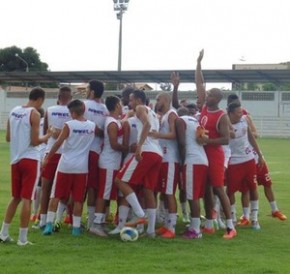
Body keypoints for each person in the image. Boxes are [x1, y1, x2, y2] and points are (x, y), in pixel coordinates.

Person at [0, 87, 51, 246]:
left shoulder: (14, 110)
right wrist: (49, 135)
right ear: (40, 99)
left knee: (15, 197)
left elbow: (8, 137)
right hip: (30, 158)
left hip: (15, 159)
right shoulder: (34, 113)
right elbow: (35, 141)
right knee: (27, 199)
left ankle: (4, 233)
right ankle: (22, 238)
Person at [195, 49, 236, 239]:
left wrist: (207, 141)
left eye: (210, 94)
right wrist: (198, 64)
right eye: (207, 93)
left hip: (215, 154)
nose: (206, 95)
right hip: (203, 153)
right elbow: (200, 84)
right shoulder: (204, 107)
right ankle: (210, 224)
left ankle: (230, 226)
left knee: (219, 188)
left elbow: (226, 139)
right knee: (206, 189)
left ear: (217, 99)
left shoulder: (221, 116)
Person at [227, 94, 287, 222]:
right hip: (237, 160)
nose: (240, 112)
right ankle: (245, 216)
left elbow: (254, 134)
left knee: (266, 182)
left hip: (252, 155)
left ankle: (274, 210)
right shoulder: (225, 121)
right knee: (244, 188)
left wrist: (258, 152)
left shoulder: (245, 118)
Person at [42, 99, 95, 236]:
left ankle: (49, 224)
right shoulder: (91, 126)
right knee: (78, 198)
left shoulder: (69, 125)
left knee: (56, 195)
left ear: (72, 112)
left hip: (65, 165)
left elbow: (58, 142)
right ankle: (76, 228)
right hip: (82, 167)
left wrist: (47, 158)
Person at [115, 89, 163, 237]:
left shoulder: (140, 108)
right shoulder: (153, 112)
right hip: (157, 153)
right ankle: (150, 231)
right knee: (148, 190)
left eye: (131, 100)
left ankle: (140, 214)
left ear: (138, 100)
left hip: (147, 151)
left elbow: (147, 125)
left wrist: (140, 146)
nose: (130, 103)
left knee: (120, 180)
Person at [89, 96, 128, 237]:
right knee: (103, 194)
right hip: (108, 162)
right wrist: (129, 148)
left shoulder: (115, 121)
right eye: (121, 104)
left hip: (112, 163)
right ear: (117, 105)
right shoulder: (111, 123)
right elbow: (114, 144)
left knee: (107, 194)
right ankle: (96, 224)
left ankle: (101, 222)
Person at [38, 86, 72, 229]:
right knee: (65, 189)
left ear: (58, 97)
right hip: (67, 152)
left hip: (51, 151)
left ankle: (42, 220)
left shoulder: (49, 110)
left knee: (46, 187)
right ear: (70, 98)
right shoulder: (73, 111)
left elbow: (47, 132)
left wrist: (54, 133)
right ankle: (59, 218)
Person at [226, 102, 264, 230]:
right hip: (233, 162)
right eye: (238, 112)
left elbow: (251, 138)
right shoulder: (225, 123)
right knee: (230, 191)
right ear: (231, 113)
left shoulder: (243, 120)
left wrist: (259, 155)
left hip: (248, 160)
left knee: (253, 188)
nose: (241, 114)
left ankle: (254, 219)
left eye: (241, 112)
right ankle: (232, 217)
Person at [175, 107, 208, 239]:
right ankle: (195, 226)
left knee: (192, 196)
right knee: (194, 195)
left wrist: (183, 160)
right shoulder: (195, 121)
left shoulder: (180, 120)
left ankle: (195, 230)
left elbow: (182, 142)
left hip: (192, 159)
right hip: (202, 159)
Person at [151, 92, 180, 238]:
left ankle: (172, 228)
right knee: (164, 193)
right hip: (164, 159)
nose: (156, 102)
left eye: (158, 99)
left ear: (165, 99)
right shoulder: (164, 115)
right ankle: (167, 225)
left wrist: (158, 135)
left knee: (169, 193)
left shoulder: (171, 114)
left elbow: (174, 134)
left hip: (170, 159)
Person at [83, 80, 108, 229]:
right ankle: (92, 219)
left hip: (84, 150)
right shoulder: (105, 109)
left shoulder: (84, 105)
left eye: (87, 88)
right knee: (94, 186)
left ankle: (79, 220)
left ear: (91, 91)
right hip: (98, 151)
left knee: (81, 186)